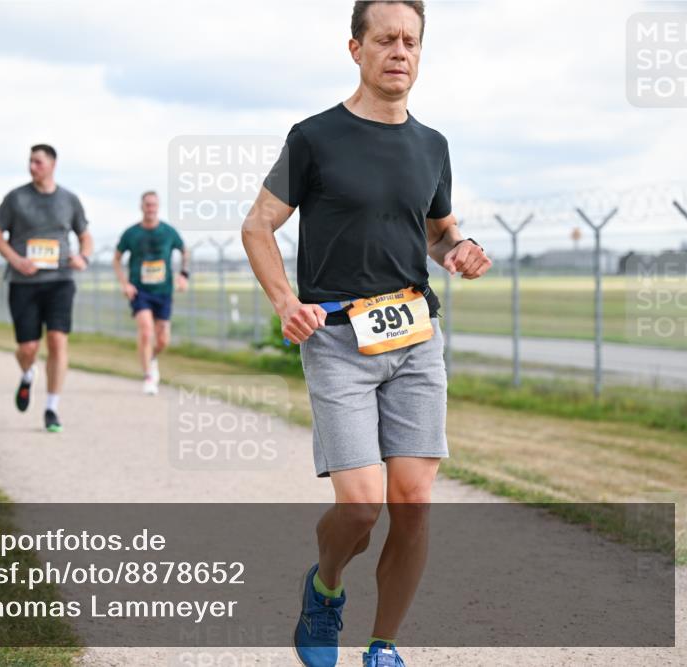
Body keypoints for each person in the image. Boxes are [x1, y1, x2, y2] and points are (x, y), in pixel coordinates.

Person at [241, 3, 492, 666]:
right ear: (356, 49)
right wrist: (285, 301)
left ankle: (383, 645)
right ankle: (325, 587)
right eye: (385, 39)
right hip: (337, 340)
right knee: (360, 508)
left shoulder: (432, 145)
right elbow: (258, 225)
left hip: (415, 335)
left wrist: (461, 249)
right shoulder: (314, 137)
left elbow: (437, 232)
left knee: (412, 502)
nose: (399, 51)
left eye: (411, 41)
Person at [0, 143, 93, 433]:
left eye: (38, 162)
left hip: (60, 280)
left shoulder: (69, 200)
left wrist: (83, 257)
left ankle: (52, 408)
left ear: (52, 165)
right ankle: (27, 374)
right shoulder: (16, 198)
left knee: (58, 341)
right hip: (23, 283)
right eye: (30, 161)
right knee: (28, 348)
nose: (32, 167)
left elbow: (85, 236)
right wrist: (16, 260)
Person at [113, 191, 190, 394]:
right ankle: (148, 376)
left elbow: (185, 251)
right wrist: (125, 284)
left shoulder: (168, 232)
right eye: (147, 204)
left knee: (163, 339)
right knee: (146, 331)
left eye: (154, 205)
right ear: (141, 206)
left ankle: (152, 357)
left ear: (158, 207)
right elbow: (116, 259)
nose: (151, 208)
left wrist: (183, 275)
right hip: (140, 291)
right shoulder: (131, 233)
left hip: (163, 291)